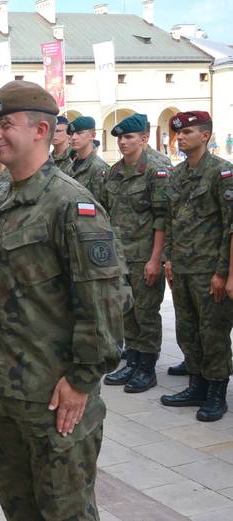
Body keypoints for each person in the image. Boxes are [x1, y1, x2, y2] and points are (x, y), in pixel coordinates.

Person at [0, 80, 123, 520]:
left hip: (53, 399)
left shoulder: (72, 205)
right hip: (3, 396)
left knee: (65, 513)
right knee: (19, 509)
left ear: (40, 131)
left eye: (6, 124)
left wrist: (82, 381)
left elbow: (103, 304)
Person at [160, 110, 233, 422]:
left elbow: (231, 227)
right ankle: (197, 385)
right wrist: (168, 259)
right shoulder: (176, 175)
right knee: (188, 329)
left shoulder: (222, 173)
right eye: (178, 133)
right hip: (183, 269)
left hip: (210, 270)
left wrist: (224, 273)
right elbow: (171, 221)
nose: (181, 138)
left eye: (188, 133)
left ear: (205, 136)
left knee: (213, 332)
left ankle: (217, 393)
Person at [100, 114, 170, 393]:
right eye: (119, 137)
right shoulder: (114, 171)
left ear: (144, 138)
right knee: (126, 311)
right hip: (120, 256)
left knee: (146, 312)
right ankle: (133, 360)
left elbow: (163, 218)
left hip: (144, 256)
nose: (122, 142)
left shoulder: (157, 169)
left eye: (129, 137)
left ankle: (147, 367)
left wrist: (156, 259)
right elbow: (107, 213)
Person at [68, 116, 107, 202]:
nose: (73, 137)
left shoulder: (99, 168)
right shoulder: (69, 167)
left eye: (79, 133)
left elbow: (102, 206)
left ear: (93, 135)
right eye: (71, 133)